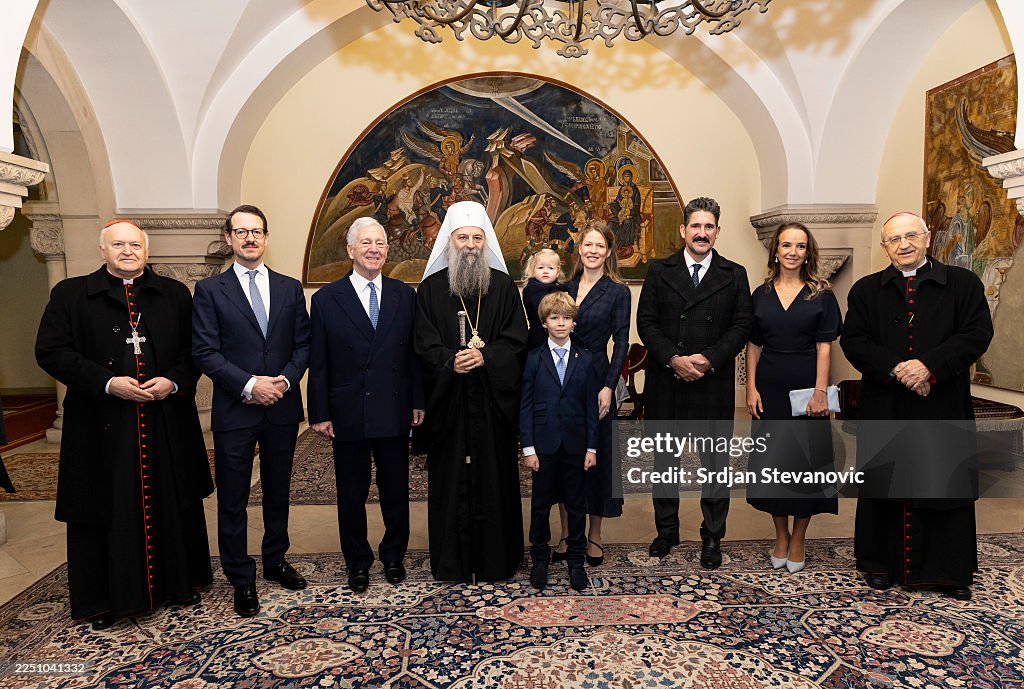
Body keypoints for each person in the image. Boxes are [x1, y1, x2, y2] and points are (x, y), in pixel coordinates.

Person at [35, 219, 213, 631]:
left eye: (135, 244)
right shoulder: (71, 295)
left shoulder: (173, 294)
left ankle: (178, 585)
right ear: (103, 251)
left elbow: (196, 350)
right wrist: (107, 382)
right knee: (107, 506)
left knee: (170, 497)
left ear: (146, 252)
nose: (128, 251)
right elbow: (51, 352)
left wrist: (173, 381)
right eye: (118, 244)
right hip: (101, 426)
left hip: (165, 420)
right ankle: (106, 599)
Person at [840, 211, 993, 600]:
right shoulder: (866, 290)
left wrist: (929, 367)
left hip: (941, 402)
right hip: (886, 402)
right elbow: (854, 342)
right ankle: (881, 564)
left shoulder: (962, 283)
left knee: (944, 484)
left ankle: (948, 571)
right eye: (894, 239)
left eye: (911, 236)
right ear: (884, 247)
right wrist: (897, 369)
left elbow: (977, 333)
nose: (904, 244)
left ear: (928, 239)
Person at [192, 204, 310, 618]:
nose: (249, 238)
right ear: (228, 239)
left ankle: (275, 561)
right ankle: (241, 577)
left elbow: (303, 345)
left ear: (266, 236)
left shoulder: (289, 287)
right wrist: (249, 384)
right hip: (235, 409)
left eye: (256, 231)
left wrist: (284, 381)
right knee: (234, 498)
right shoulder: (210, 291)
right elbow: (204, 351)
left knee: (278, 490)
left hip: (281, 404)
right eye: (240, 232)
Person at [307, 217, 424, 593]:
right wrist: (319, 412)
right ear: (350, 249)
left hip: (393, 407)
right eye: (367, 243)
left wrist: (418, 400)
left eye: (381, 243)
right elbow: (318, 360)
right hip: (347, 411)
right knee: (351, 493)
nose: (374, 249)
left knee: (396, 490)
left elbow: (414, 357)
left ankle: (393, 556)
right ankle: (357, 562)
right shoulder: (326, 299)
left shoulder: (405, 295)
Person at [414, 200, 528, 582]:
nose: (470, 245)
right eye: (462, 237)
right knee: (450, 483)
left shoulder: (503, 288)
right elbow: (422, 343)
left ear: (486, 242)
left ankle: (498, 560)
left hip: (491, 406)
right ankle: (453, 563)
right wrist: (450, 360)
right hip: (449, 405)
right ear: (450, 242)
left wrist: (487, 358)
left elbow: (517, 340)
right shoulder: (430, 290)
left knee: (495, 481)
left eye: (477, 237)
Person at [636, 196, 752, 567]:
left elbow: (741, 325)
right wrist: (673, 358)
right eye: (695, 226)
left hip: (711, 382)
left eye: (709, 226)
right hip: (667, 381)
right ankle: (666, 531)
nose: (702, 233)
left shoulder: (734, 274)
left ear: (717, 231)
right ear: (683, 230)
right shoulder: (659, 270)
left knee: (715, 466)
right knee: (665, 463)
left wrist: (711, 358)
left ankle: (712, 537)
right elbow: (647, 323)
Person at [744, 222, 842, 574]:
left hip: (806, 391)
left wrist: (820, 392)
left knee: (805, 468)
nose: (792, 252)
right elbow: (753, 345)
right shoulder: (761, 294)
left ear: (808, 253)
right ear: (775, 250)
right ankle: (780, 535)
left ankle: (799, 537)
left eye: (800, 246)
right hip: (769, 389)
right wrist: (750, 388)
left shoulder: (821, 295)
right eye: (787, 245)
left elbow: (824, 348)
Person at [549, 221, 630, 567]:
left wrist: (609, 386)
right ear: (579, 249)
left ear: (608, 252)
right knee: (566, 456)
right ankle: (568, 534)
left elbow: (622, 342)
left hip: (597, 376)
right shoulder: (564, 287)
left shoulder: (617, 291)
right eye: (587, 245)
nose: (592, 250)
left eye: (599, 245)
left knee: (599, 459)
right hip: (563, 377)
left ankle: (595, 536)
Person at [521, 292, 598, 592]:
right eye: (555, 318)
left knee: (577, 504)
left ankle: (576, 562)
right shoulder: (533, 359)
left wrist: (591, 447)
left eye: (566, 318)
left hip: (577, 446)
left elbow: (591, 406)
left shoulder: (586, 358)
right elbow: (525, 405)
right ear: (544, 323)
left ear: (574, 323)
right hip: (544, 446)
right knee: (540, 505)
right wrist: (529, 448)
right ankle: (540, 559)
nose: (561, 323)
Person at [521, 248, 568, 351]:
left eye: (551, 268)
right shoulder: (532, 288)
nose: (545, 271)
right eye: (541, 267)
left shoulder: (557, 286)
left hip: (557, 339)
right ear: (533, 269)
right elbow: (547, 308)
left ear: (557, 272)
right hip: (539, 338)